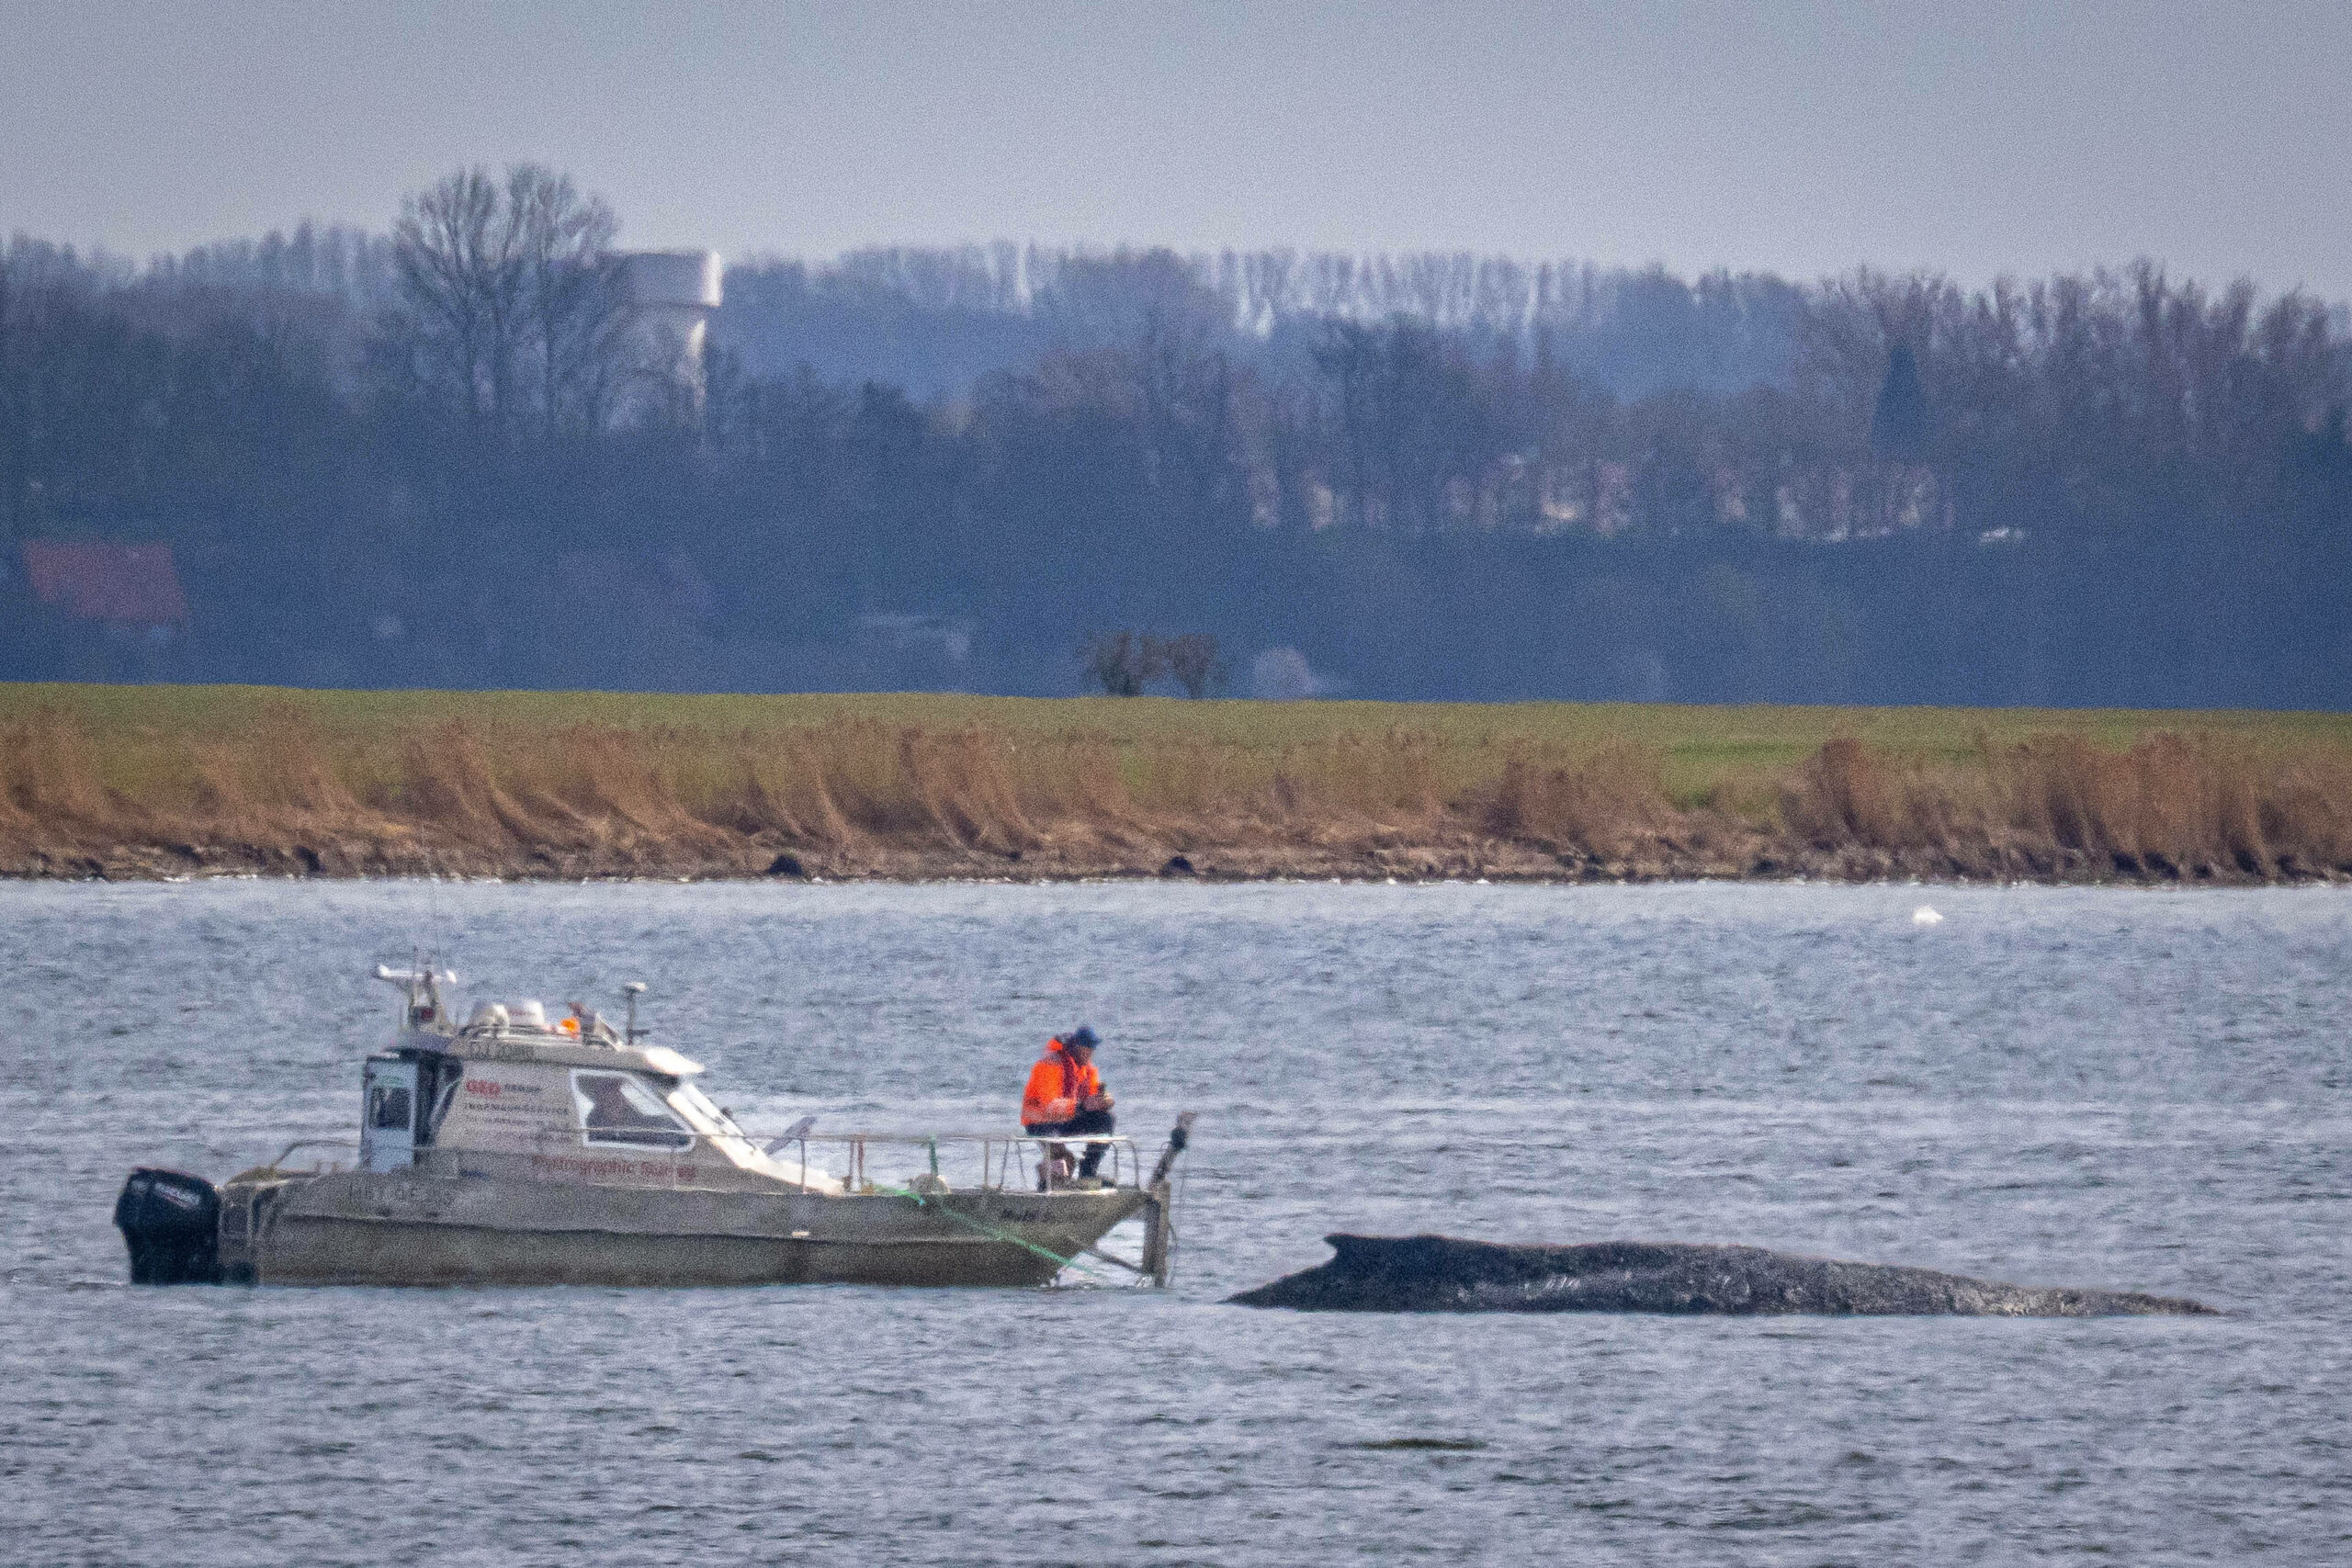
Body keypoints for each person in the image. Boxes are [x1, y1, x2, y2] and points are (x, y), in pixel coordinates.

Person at [1022, 1025, 1115, 1188]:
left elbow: (1091, 1098)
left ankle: (1088, 1173)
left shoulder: (1087, 1069)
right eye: (1088, 1047)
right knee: (1063, 1163)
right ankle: (1046, 1185)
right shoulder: (1050, 1065)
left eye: (1092, 1047)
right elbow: (1049, 1106)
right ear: (1078, 1047)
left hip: (1067, 1118)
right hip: (1040, 1122)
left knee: (1106, 1119)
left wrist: (1104, 1102)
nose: (1091, 1051)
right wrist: (1082, 1106)